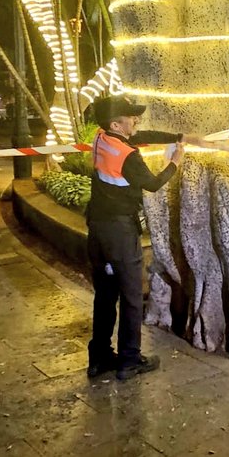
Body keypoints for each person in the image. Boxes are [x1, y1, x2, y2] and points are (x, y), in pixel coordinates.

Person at [85, 95, 200, 381]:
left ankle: (99, 357)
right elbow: (152, 184)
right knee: (133, 297)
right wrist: (175, 161)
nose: (136, 119)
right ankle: (129, 360)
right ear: (116, 123)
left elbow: (141, 136)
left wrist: (177, 136)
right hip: (120, 233)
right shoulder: (128, 156)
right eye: (130, 117)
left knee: (106, 294)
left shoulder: (102, 138)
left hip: (97, 229)